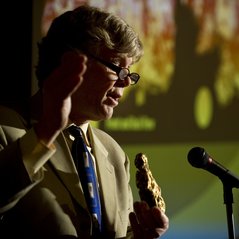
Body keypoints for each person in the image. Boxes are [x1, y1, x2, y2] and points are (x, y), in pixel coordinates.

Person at [0, 4, 169, 239]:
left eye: (129, 73)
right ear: (69, 63)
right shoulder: (5, 128)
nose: (127, 82)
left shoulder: (114, 153)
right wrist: (46, 130)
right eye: (117, 69)